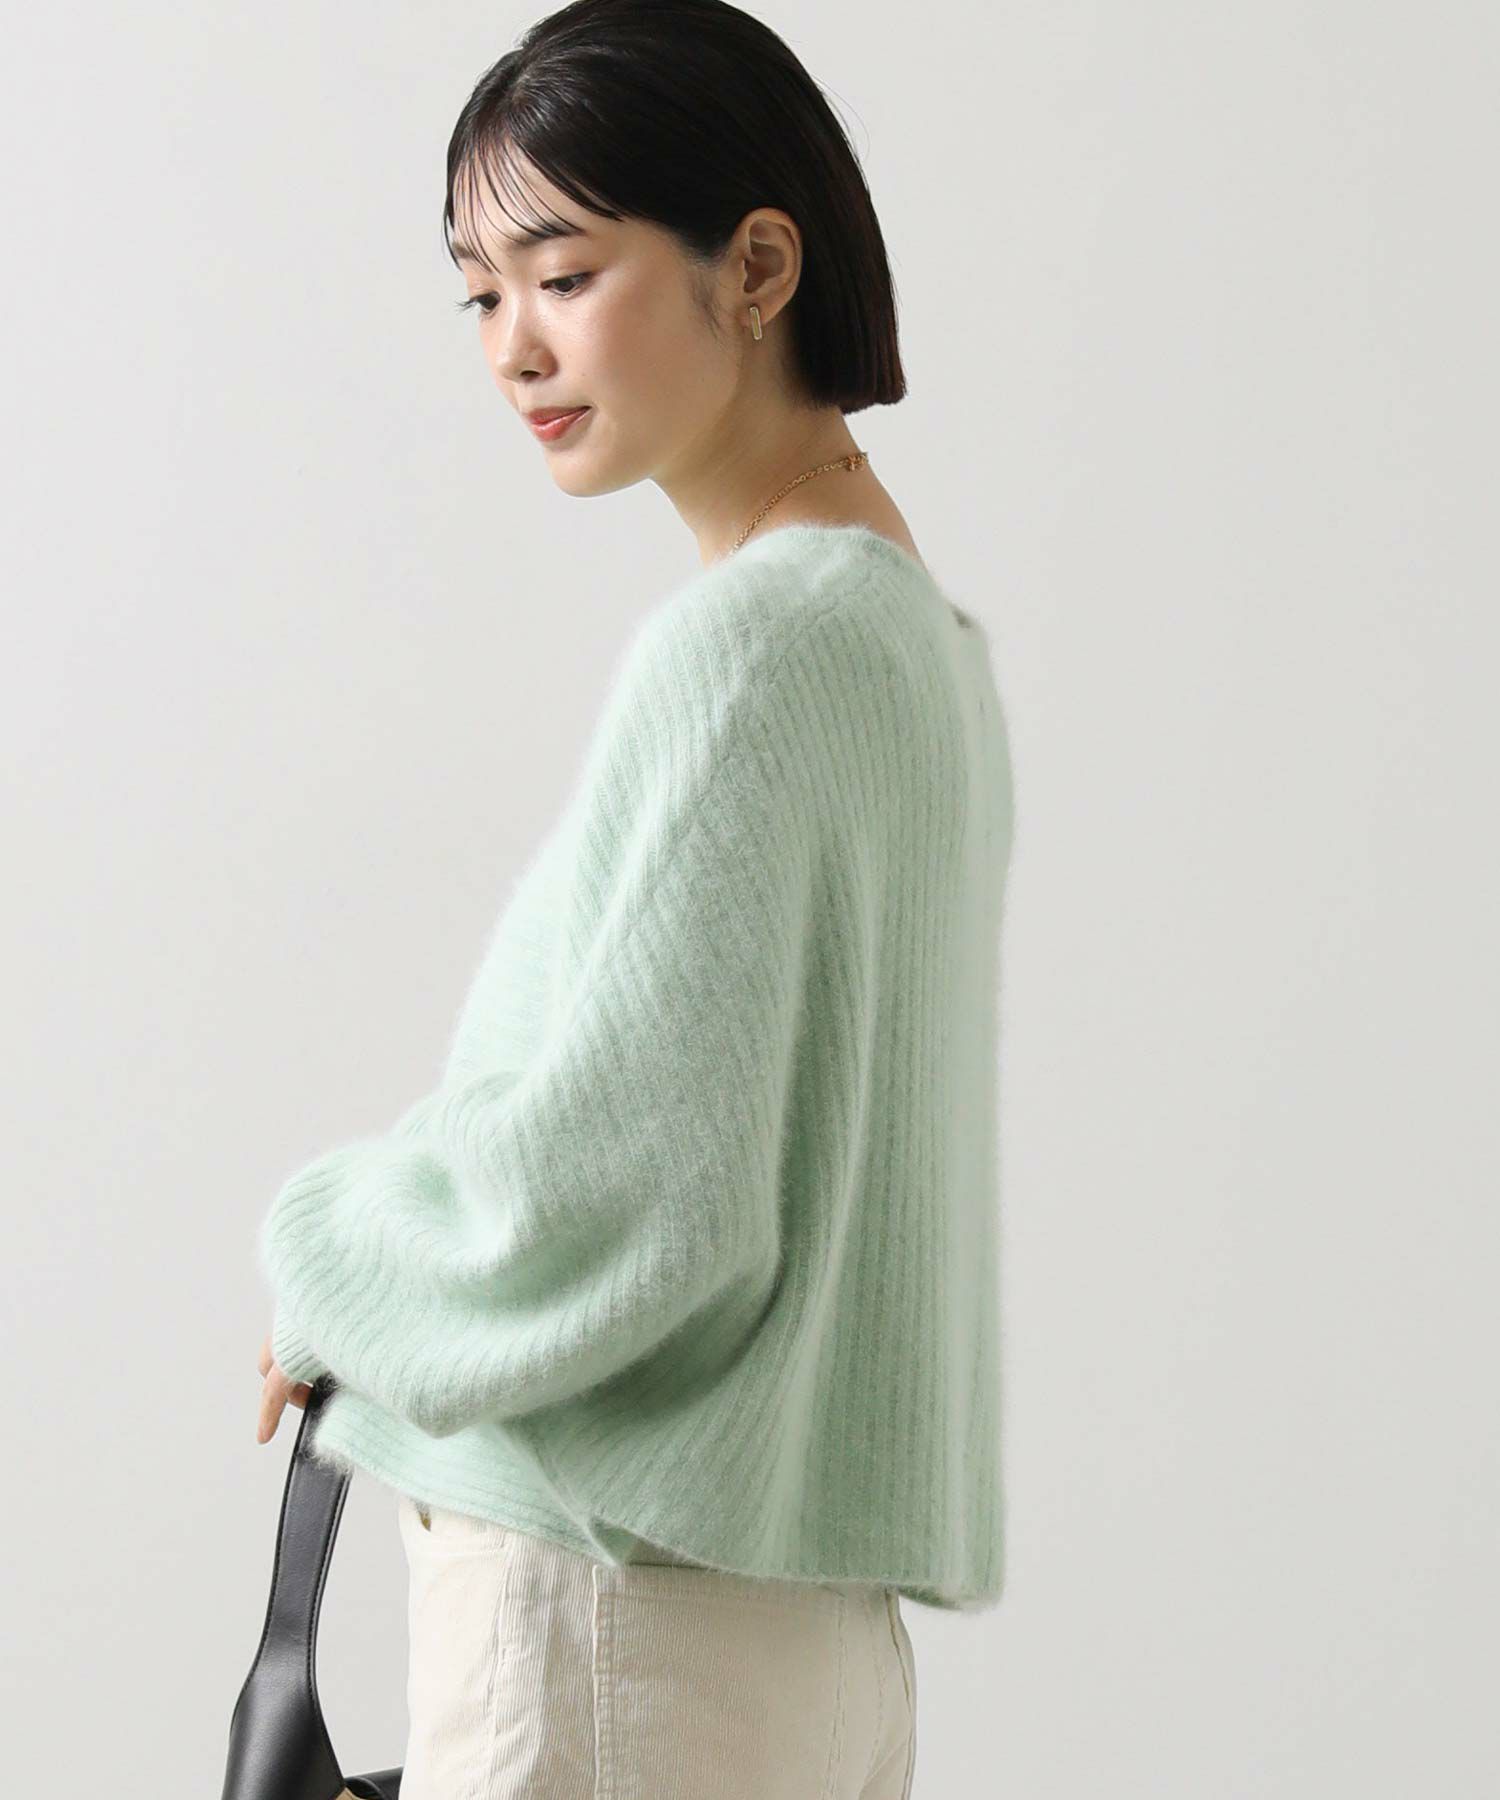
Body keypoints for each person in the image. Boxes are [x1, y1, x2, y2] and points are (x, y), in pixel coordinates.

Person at [254, 2, 1013, 1795]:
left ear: (758, 268)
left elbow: (630, 1198)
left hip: (612, 1627)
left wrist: (320, 1252)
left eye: (565, 273)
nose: (513, 347)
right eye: (479, 294)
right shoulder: (916, 648)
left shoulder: (750, 650)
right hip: (791, 1641)